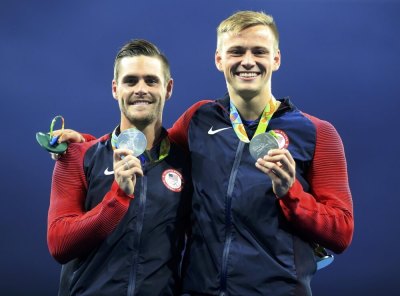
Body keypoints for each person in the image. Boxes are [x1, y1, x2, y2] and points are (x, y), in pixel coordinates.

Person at [53, 10, 354, 296]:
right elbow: (154, 145)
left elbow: (341, 233)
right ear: (219, 59)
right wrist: (89, 145)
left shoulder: (317, 133)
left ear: (276, 59)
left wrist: (292, 194)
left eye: (259, 51)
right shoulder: (200, 119)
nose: (248, 61)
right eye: (236, 51)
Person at [47, 39, 191, 296]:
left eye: (151, 80)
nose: (141, 89)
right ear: (115, 88)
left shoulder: (185, 163)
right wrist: (118, 198)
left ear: (168, 88)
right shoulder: (77, 156)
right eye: (130, 81)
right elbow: (60, 244)